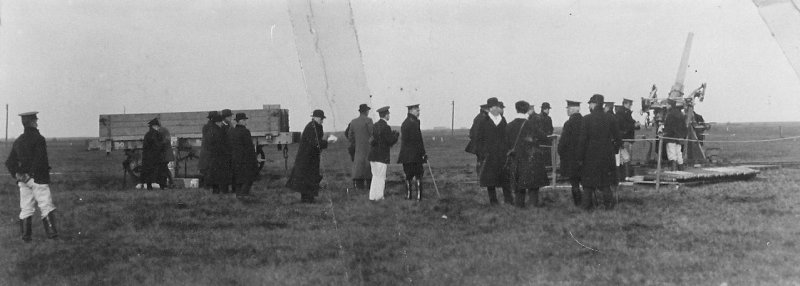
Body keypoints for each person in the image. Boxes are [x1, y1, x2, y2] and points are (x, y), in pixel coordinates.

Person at [5, 111, 59, 241]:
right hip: (38, 179)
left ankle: (26, 237)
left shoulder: (18, 141)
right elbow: (40, 160)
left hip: (23, 180)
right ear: (33, 122)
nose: (37, 122)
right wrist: (31, 174)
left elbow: (9, 162)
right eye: (36, 120)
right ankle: (52, 234)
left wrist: (18, 174)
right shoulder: (39, 139)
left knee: (26, 207)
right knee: (46, 205)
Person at [577, 94, 622, 210]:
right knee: (605, 183)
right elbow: (618, 139)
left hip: (590, 156)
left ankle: (586, 207)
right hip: (607, 156)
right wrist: (614, 150)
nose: (589, 106)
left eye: (590, 103)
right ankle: (609, 207)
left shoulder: (586, 119)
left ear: (594, 104)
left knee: (588, 184)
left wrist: (580, 158)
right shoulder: (610, 118)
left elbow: (582, 141)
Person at [506, 101, 548, 208]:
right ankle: (533, 207)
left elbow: (505, 143)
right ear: (527, 110)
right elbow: (544, 138)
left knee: (519, 185)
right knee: (533, 185)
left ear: (516, 109)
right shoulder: (531, 125)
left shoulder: (509, 126)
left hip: (516, 160)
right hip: (531, 159)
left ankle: (519, 207)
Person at [287, 110, 329, 203]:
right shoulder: (312, 127)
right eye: (321, 118)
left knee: (309, 178)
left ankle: (308, 198)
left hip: (310, 157)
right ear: (315, 118)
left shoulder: (315, 126)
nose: (322, 121)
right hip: (307, 158)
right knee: (308, 178)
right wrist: (327, 142)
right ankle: (307, 199)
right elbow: (316, 142)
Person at [476, 97, 510, 205]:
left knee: (505, 179)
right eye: (492, 107)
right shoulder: (484, 121)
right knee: (490, 180)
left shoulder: (503, 120)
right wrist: (482, 153)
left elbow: (506, 137)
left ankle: (509, 200)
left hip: (502, 155)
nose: (495, 109)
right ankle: (493, 201)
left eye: (496, 106)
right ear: (489, 109)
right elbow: (479, 139)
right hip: (489, 156)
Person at [367, 106, 399, 201]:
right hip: (381, 156)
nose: (389, 115)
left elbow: (374, 140)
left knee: (375, 176)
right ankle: (380, 197)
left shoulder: (375, 125)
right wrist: (395, 136)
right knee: (381, 177)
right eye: (388, 114)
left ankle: (372, 196)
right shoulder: (386, 127)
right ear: (386, 115)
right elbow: (389, 141)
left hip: (373, 155)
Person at [398, 104, 428, 201]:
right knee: (418, 175)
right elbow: (418, 140)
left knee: (408, 176)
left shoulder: (405, 123)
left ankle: (408, 196)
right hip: (415, 155)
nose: (419, 112)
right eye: (417, 110)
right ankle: (419, 197)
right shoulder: (414, 123)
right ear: (411, 111)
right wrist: (423, 153)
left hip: (405, 155)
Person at [558, 100, 583, 206]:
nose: (567, 111)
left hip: (572, 158)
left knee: (575, 183)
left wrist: (561, 152)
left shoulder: (569, 123)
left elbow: (563, 142)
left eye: (568, 109)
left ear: (572, 109)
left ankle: (578, 204)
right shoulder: (585, 121)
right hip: (584, 157)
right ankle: (587, 203)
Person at [230, 113, 259, 198]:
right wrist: (254, 159)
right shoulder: (245, 132)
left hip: (235, 158)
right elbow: (249, 147)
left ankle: (238, 194)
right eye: (244, 120)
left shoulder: (232, 131)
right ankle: (244, 194)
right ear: (240, 121)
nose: (246, 122)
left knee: (238, 178)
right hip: (245, 159)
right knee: (248, 178)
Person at [347, 104, 374, 190]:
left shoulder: (353, 122)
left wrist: (355, 143)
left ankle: (359, 187)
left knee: (358, 168)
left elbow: (350, 136)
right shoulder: (369, 120)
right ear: (366, 111)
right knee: (368, 168)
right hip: (368, 148)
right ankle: (369, 186)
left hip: (358, 148)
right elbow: (372, 134)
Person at [206, 113, 232, 194]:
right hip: (221, 157)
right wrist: (228, 153)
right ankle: (224, 191)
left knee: (215, 176)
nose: (221, 123)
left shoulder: (211, 130)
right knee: (223, 176)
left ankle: (216, 191)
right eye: (220, 122)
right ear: (218, 122)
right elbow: (222, 144)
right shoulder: (219, 132)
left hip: (213, 157)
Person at [618, 98, 640, 179]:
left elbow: (630, 123)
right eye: (630, 104)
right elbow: (623, 125)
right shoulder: (621, 113)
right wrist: (634, 125)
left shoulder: (626, 113)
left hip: (625, 139)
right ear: (625, 104)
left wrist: (635, 124)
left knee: (623, 158)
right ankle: (625, 177)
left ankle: (624, 177)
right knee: (625, 158)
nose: (631, 106)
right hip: (623, 139)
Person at [663, 98, 688, 170]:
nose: (666, 106)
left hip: (671, 137)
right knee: (679, 153)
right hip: (679, 137)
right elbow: (684, 126)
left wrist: (664, 133)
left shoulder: (670, 114)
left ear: (670, 105)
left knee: (672, 154)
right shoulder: (680, 114)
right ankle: (681, 169)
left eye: (667, 104)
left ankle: (673, 170)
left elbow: (669, 126)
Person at [141, 118, 166, 190]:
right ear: (154, 126)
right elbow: (158, 145)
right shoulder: (157, 134)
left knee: (149, 171)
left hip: (147, 157)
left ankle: (149, 186)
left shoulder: (147, 134)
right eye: (157, 126)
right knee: (160, 171)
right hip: (156, 156)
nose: (158, 128)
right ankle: (162, 186)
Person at [465, 104, 489, 174]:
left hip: (478, 144)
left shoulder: (478, 117)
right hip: (481, 144)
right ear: (485, 109)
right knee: (482, 161)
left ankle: (480, 175)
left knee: (480, 160)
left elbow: (472, 132)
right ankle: (481, 175)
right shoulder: (482, 118)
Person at [198, 111, 219, 187]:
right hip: (210, 152)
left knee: (207, 170)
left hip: (206, 151)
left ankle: (207, 185)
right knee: (209, 170)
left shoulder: (206, 127)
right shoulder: (212, 128)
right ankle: (208, 185)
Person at [220, 109, 234, 193]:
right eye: (229, 116)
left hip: (230, 151)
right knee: (224, 171)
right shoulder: (222, 126)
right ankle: (224, 189)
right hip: (224, 152)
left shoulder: (229, 125)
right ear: (225, 117)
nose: (231, 117)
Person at [158, 125, 174, 189]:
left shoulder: (161, 131)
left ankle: (168, 183)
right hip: (166, 155)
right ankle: (169, 183)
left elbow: (163, 142)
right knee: (164, 169)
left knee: (164, 169)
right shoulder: (164, 130)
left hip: (164, 155)